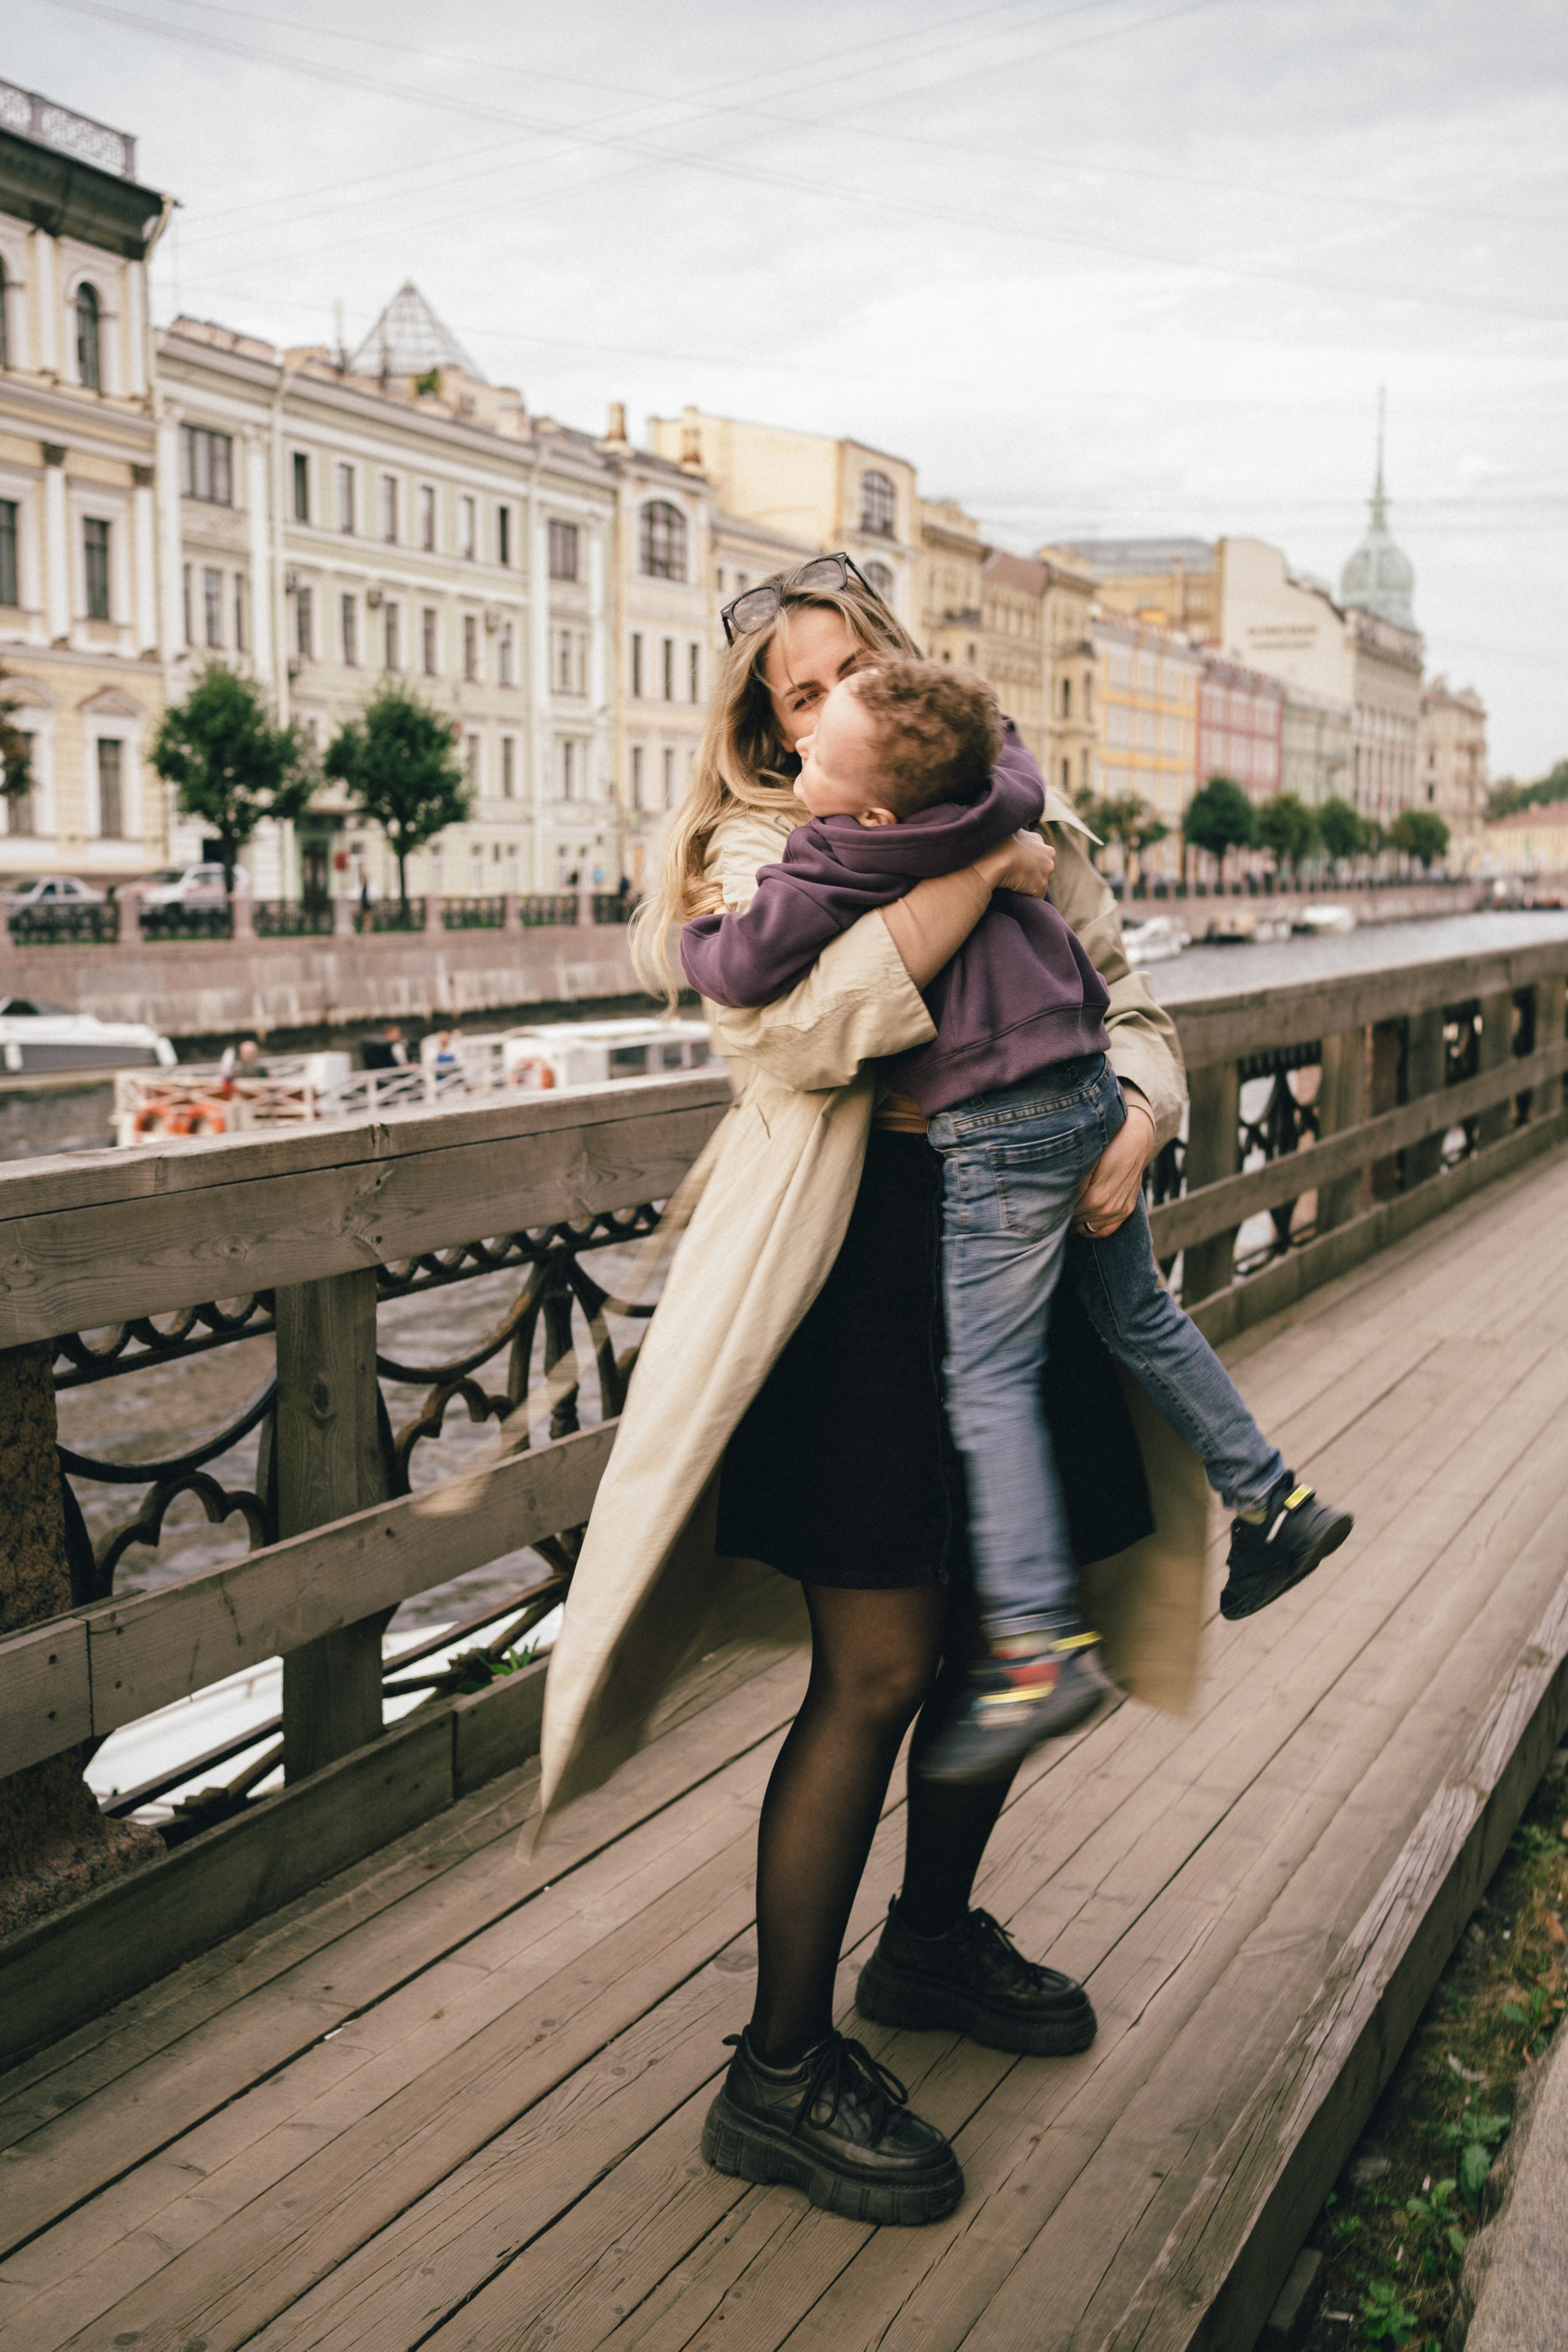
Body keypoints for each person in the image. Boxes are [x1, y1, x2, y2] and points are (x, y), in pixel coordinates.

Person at [538, 554, 1201, 2229]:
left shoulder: (980, 791)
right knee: (878, 1667)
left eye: (852, 668)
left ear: (896, 670)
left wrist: (1136, 1114)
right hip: (857, 1283)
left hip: (1021, 1257)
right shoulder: (749, 853)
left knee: (1000, 1633)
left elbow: (1128, 998)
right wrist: (982, 854)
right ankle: (775, 2070)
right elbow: (812, 1027)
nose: (828, 701)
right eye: (793, 687)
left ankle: (925, 1947)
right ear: (765, 723)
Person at [683, 656, 1353, 1787]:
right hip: (1085, 1093)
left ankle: (1043, 1650)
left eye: (817, 742)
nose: (797, 762)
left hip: (992, 1136)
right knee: (1142, 1313)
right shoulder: (998, 790)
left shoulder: (845, 852)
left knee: (986, 1385)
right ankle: (1276, 1500)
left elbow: (745, 963)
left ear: (876, 802)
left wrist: (696, 939)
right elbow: (1003, 741)